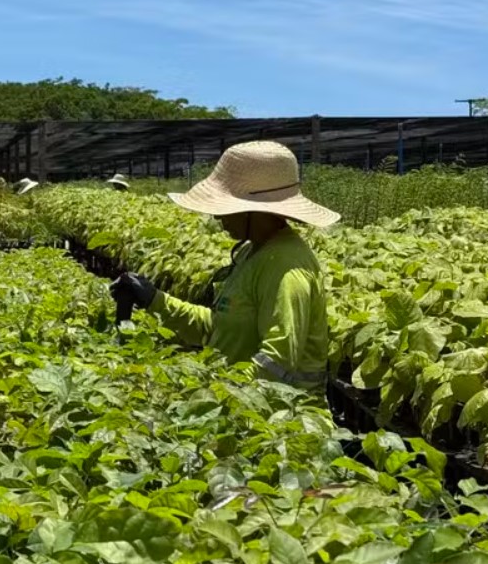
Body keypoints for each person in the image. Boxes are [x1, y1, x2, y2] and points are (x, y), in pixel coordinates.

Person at [110, 141, 340, 391]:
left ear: (256, 211)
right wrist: (156, 299)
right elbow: (220, 329)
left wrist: (215, 391)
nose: (217, 216)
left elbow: (276, 365)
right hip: (240, 409)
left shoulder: (287, 268)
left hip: (280, 423)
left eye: (225, 208)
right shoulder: (253, 252)